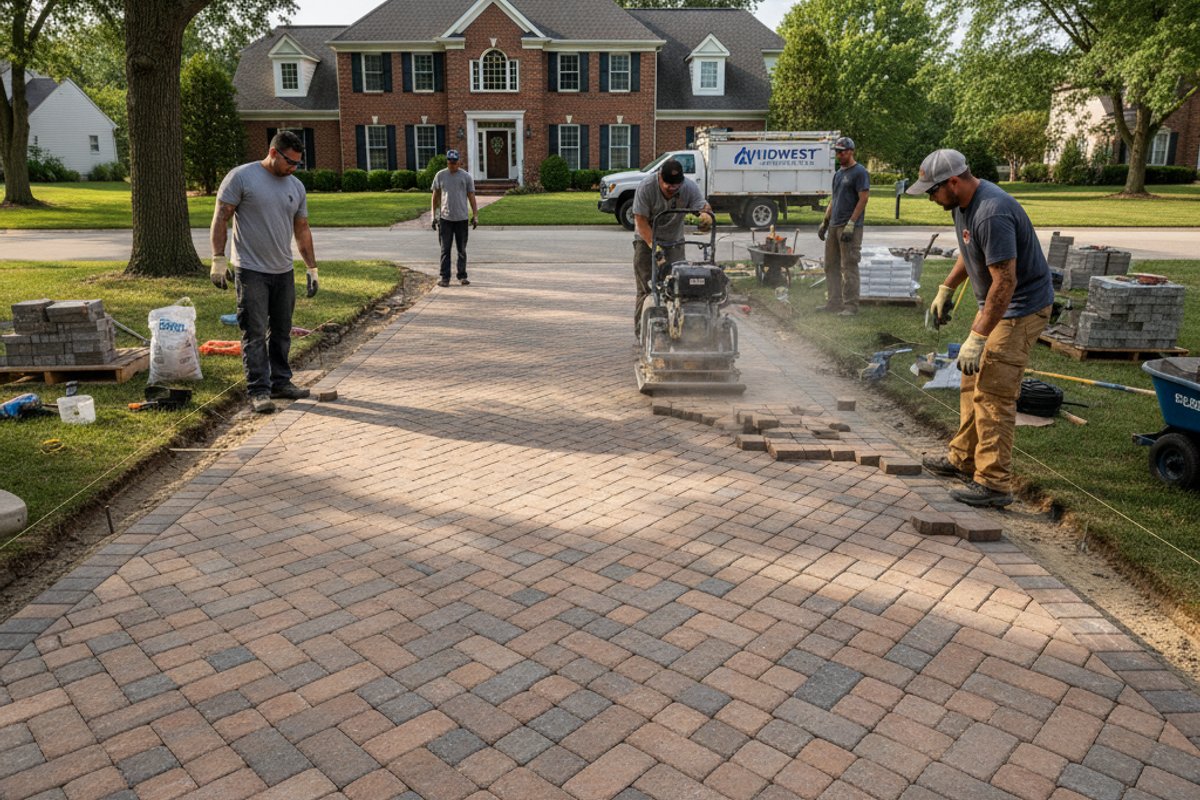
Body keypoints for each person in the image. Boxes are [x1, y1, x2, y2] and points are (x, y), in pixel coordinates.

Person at [907, 148, 1054, 507]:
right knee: (970, 378)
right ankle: (964, 459)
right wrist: (947, 286)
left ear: (953, 182)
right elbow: (970, 251)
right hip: (999, 306)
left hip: (1020, 309)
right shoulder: (962, 206)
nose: (930, 198)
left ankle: (994, 483)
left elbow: (1005, 281)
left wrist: (978, 335)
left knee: (993, 393)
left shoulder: (992, 212)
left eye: (932, 191)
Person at [210, 130, 318, 415]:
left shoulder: (296, 186)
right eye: (289, 162)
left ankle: (281, 382)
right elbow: (221, 217)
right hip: (250, 270)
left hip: (283, 270)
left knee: (282, 331)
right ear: (273, 152)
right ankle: (259, 390)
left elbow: (302, 229)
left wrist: (312, 268)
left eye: (298, 164)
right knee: (254, 331)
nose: (293, 168)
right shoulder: (241, 177)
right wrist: (218, 259)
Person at [631, 158, 714, 338]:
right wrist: (655, 247)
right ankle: (642, 333)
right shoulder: (646, 188)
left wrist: (706, 215)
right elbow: (641, 221)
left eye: (676, 185)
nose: (672, 188)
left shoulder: (688, 187)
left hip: (675, 240)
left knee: (678, 284)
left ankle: (677, 330)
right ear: (660, 178)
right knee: (647, 288)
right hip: (646, 241)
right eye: (668, 184)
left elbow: (702, 206)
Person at [817, 136, 869, 316]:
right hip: (834, 225)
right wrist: (825, 221)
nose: (839, 155)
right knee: (830, 265)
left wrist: (852, 223)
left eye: (842, 151)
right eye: (837, 152)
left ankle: (850, 306)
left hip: (849, 226)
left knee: (849, 266)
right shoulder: (838, 174)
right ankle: (833, 303)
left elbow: (863, 199)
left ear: (851, 151)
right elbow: (834, 199)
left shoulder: (859, 172)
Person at [431, 149, 478, 287]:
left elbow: (471, 197)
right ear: (447, 162)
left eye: (455, 163)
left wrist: (475, 216)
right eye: (450, 163)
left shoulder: (466, 177)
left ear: (459, 162)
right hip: (445, 219)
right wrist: (433, 216)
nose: (452, 165)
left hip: (462, 218)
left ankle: (462, 276)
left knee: (461, 249)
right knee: (445, 250)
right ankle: (445, 278)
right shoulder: (440, 175)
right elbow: (435, 196)